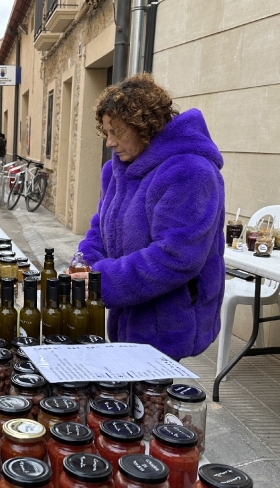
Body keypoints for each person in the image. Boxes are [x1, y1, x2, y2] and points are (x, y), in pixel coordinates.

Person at [69, 74, 225, 361]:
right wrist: (84, 264)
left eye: (117, 131)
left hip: (168, 320)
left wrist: (100, 282)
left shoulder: (190, 171)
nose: (110, 142)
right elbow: (99, 227)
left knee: (153, 399)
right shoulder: (117, 169)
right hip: (127, 313)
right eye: (106, 132)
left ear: (145, 127)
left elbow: (176, 257)